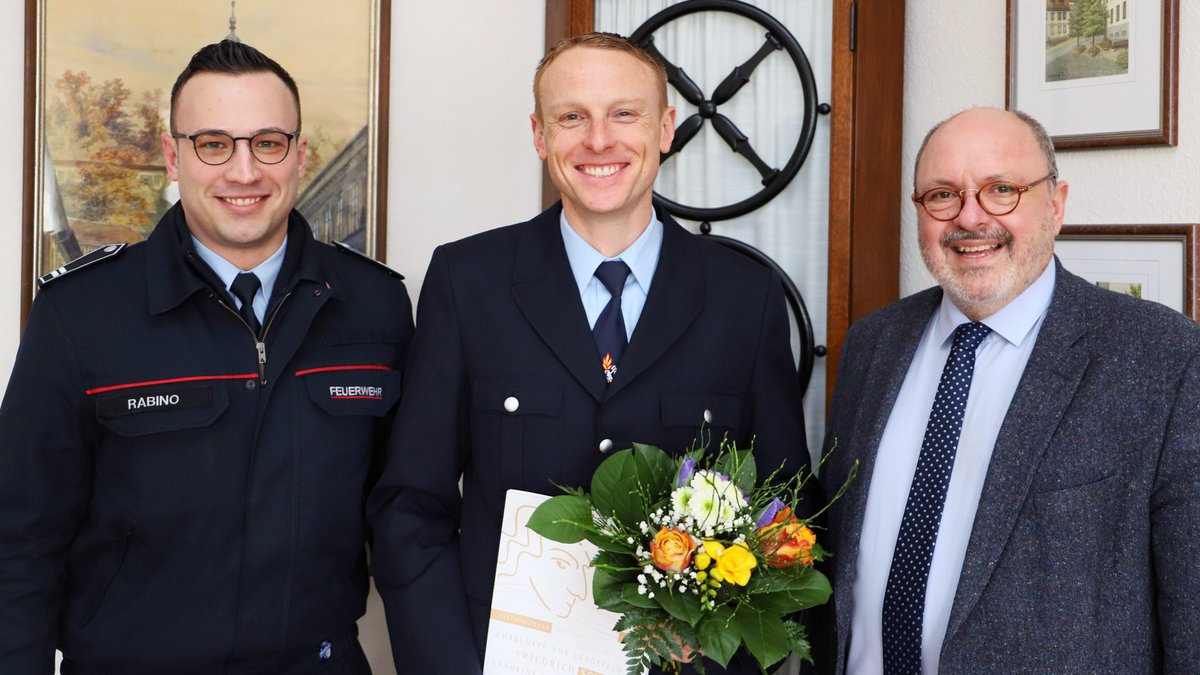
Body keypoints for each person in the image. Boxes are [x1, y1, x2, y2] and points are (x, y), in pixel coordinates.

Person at [367, 32, 807, 673]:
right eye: (572, 117)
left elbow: (783, 510)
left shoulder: (746, 296)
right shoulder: (469, 282)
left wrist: (724, 637)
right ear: (540, 135)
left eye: (623, 114)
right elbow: (412, 508)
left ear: (665, 128)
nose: (599, 141)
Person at [0, 40, 413, 673]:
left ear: (301, 155)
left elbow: (409, 514)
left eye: (268, 142)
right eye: (213, 144)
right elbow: (19, 538)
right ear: (173, 155)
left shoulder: (377, 306)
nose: (244, 172)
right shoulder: (81, 314)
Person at [820, 106, 1200, 674]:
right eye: (942, 195)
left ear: (1057, 203)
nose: (970, 219)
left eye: (1001, 190)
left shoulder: (1161, 355)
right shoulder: (873, 343)